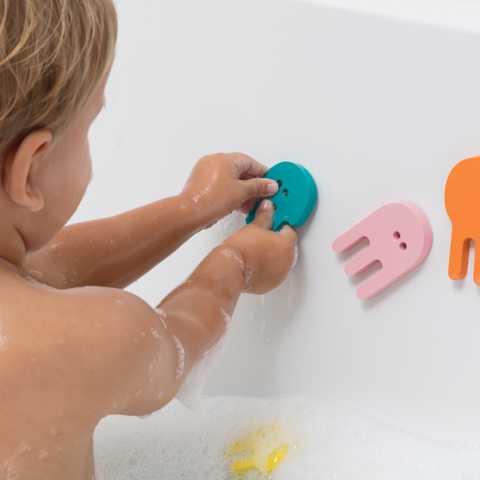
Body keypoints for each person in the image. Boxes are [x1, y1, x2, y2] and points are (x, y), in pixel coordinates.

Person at [0, 1, 297, 479]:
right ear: (29, 169)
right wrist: (236, 261)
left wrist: (192, 206)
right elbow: (178, 343)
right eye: (90, 126)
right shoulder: (84, 338)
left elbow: (47, 270)